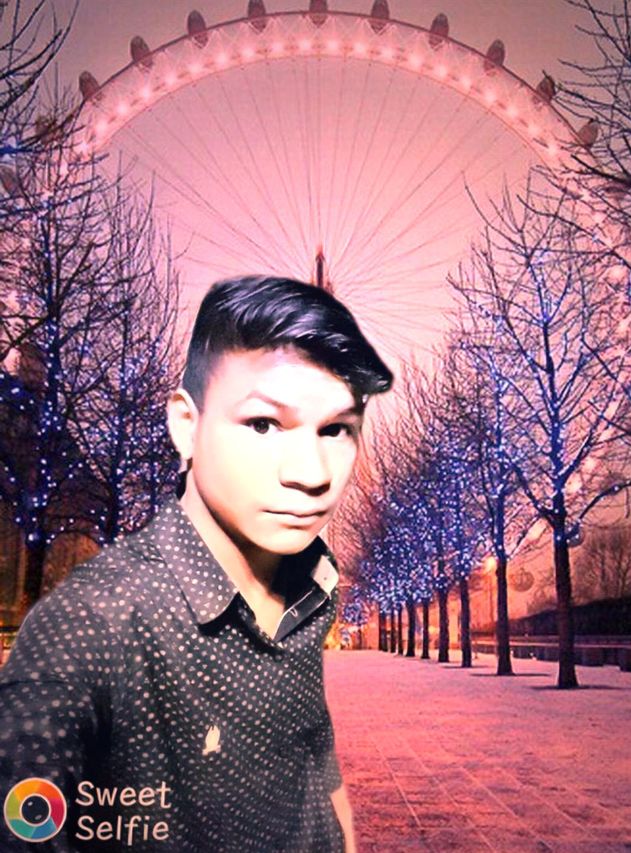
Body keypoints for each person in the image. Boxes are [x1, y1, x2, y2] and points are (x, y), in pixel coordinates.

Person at [0, 275, 393, 852]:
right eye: (263, 424)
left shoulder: (314, 585)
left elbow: (313, 744)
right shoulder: (90, 626)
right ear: (186, 425)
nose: (311, 474)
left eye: (335, 429)